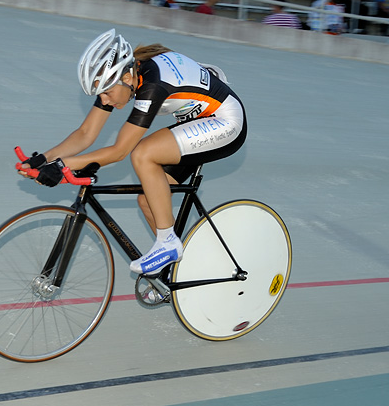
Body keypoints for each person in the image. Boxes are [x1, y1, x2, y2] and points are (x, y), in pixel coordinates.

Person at [18, 30, 246, 276]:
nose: (104, 100)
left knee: (142, 152)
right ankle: (177, 273)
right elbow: (86, 133)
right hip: (195, 123)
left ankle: (167, 243)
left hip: (226, 122)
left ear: (126, 76)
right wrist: (44, 159)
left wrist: (63, 166)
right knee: (148, 201)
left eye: (106, 92)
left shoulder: (152, 85)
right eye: (100, 94)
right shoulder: (122, 79)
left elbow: (120, 151)